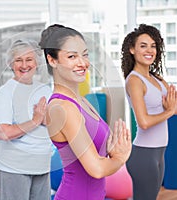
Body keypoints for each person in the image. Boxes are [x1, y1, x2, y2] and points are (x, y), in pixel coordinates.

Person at [39, 24, 132, 200]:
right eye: (72, 56)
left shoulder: (80, 101)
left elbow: (99, 153)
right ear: (52, 60)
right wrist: (120, 158)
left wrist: (113, 150)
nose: (83, 63)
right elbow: (96, 169)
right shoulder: (63, 108)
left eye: (85, 55)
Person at [121, 24, 177, 200]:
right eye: (143, 46)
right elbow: (143, 122)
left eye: (153, 45)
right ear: (132, 50)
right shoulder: (134, 81)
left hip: (159, 153)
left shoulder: (157, 79)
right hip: (144, 154)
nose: (149, 50)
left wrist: (173, 106)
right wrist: (170, 111)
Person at [0, 39, 53, 200]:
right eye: (18, 60)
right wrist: (35, 120)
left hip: (42, 165)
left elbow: (56, 125)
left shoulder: (44, 90)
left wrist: (46, 120)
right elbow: (3, 132)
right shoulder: (6, 92)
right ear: (11, 64)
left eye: (29, 59)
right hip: (15, 167)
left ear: (36, 63)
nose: (24, 65)